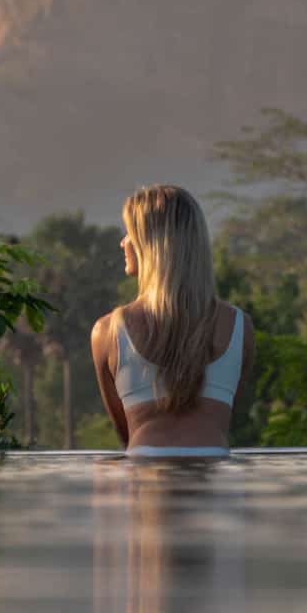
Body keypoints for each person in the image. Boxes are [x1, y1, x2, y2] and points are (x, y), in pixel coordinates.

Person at [90, 184, 254, 458]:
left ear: (149, 243)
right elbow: (225, 422)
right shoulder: (239, 327)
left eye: (129, 233)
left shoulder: (107, 332)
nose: (123, 243)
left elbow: (125, 435)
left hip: (144, 482)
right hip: (217, 485)